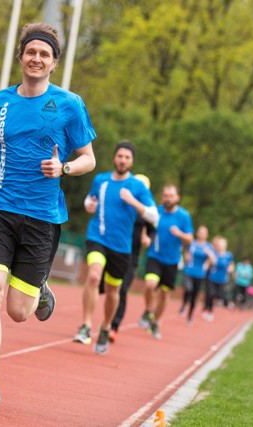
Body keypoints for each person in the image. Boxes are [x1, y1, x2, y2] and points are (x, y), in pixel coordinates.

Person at [0, 22, 96, 414]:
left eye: (45, 54)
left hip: (42, 217)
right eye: (31, 52)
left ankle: (38, 286)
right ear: (21, 56)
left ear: (53, 63)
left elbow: (88, 158)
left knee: (19, 312)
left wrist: (65, 169)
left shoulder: (70, 104)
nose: (36, 59)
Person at [72, 142, 157, 355]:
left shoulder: (138, 187)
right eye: (120, 156)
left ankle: (106, 326)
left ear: (132, 161)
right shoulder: (100, 180)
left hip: (121, 246)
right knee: (93, 276)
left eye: (127, 157)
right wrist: (88, 205)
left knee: (113, 292)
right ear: (114, 158)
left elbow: (154, 216)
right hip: (97, 237)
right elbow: (89, 201)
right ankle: (86, 325)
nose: (122, 160)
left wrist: (133, 202)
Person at [98, 173, 155, 344]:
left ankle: (113, 326)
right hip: (112, 248)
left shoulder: (144, 209)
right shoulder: (122, 202)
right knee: (105, 286)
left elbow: (152, 230)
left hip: (131, 256)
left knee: (121, 289)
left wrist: (148, 239)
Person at [138, 184, 193, 339]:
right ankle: (149, 310)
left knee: (164, 294)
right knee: (150, 284)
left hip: (172, 260)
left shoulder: (183, 216)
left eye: (171, 195)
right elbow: (146, 227)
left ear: (177, 198)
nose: (168, 198)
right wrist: (146, 238)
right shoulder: (157, 212)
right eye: (165, 195)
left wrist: (180, 234)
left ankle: (155, 323)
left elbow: (190, 238)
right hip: (155, 256)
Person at [179, 225, 215, 325]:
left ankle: (189, 316)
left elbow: (213, 260)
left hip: (199, 273)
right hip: (189, 270)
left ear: (207, 235)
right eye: (200, 232)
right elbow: (186, 253)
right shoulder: (192, 243)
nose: (201, 234)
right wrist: (186, 257)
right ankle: (184, 304)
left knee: (194, 295)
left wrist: (208, 258)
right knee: (188, 289)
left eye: (203, 233)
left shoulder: (208, 246)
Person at [202, 236, 234, 321]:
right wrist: (207, 263)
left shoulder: (228, 255)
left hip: (222, 279)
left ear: (225, 245)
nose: (221, 246)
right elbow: (209, 262)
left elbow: (231, 264)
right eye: (219, 245)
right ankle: (209, 311)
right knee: (211, 294)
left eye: (222, 245)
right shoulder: (214, 253)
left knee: (219, 295)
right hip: (212, 277)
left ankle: (228, 303)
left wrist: (231, 268)